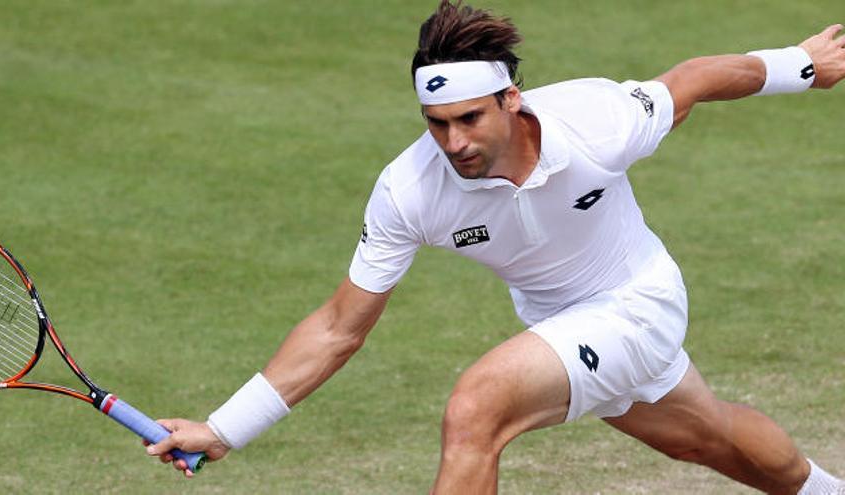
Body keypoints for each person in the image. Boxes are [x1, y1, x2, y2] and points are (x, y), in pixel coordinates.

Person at [147, 2, 845, 493]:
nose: (454, 143)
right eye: (436, 123)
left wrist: (803, 64)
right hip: (560, 323)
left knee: (476, 405)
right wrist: (224, 427)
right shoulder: (408, 190)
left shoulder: (594, 119)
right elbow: (337, 328)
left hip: (639, 299)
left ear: (511, 99)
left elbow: (689, 81)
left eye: (469, 119)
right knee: (710, 438)